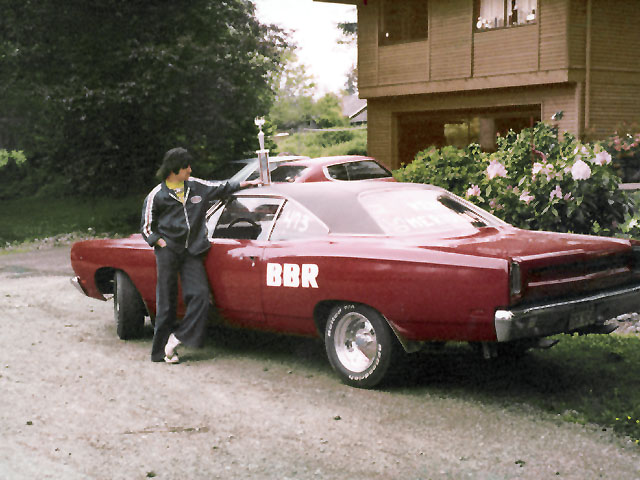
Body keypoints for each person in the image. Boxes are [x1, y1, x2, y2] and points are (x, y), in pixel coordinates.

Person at [141, 147, 258, 363]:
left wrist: (245, 184)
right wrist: (160, 242)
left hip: (193, 252)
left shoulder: (195, 186)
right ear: (175, 170)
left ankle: (177, 339)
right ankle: (158, 353)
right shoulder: (156, 195)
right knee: (166, 303)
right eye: (186, 167)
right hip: (168, 252)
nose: (190, 170)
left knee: (201, 297)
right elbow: (147, 227)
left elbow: (221, 187)